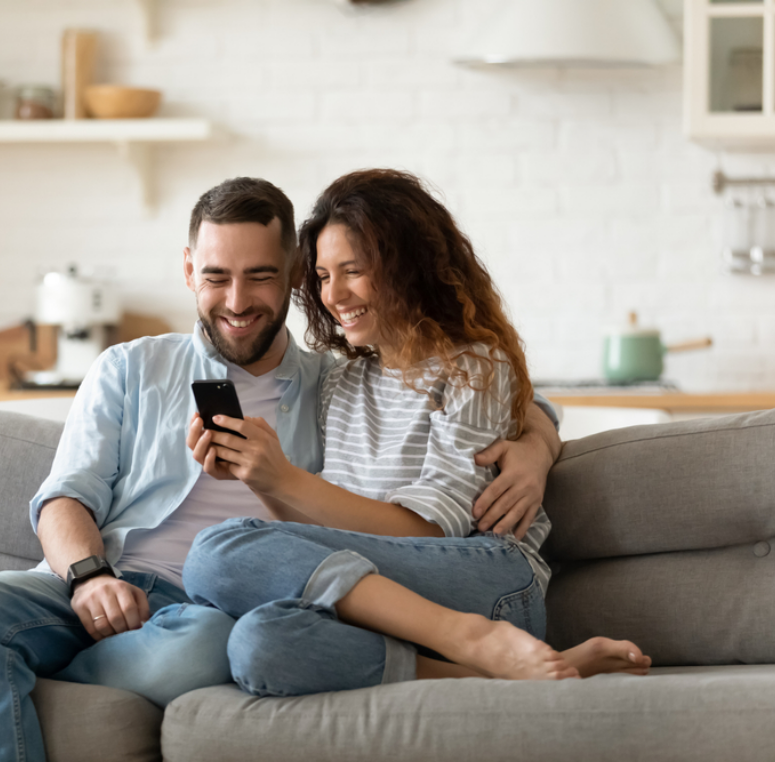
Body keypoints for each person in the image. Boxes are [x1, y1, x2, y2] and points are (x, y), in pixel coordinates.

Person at [0, 176, 563, 762]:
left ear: (292, 276)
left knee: (209, 647)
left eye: (260, 276)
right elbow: (64, 500)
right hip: (99, 583)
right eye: (215, 277)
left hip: (206, 610)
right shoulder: (129, 368)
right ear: (187, 271)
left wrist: (535, 444)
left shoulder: (333, 378)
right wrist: (89, 580)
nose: (236, 301)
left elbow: (486, 385)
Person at [182, 169, 650, 695]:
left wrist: (285, 479)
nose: (334, 294)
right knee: (259, 644)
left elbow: (428, 533)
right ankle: (493, 667)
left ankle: (472, 636)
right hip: (389, 594)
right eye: (322, 275)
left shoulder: (474, 367)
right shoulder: (342, 382)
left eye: (353, 270)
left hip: (486, 581)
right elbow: (337, 539)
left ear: (408, 267)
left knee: (213, 553)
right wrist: (259, 480)